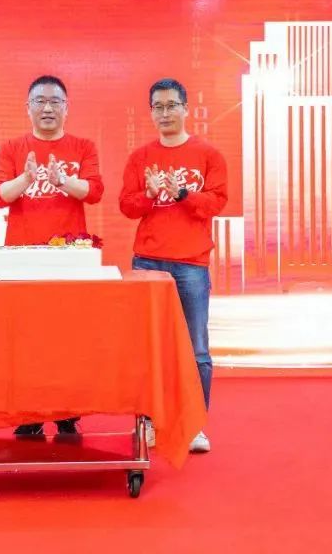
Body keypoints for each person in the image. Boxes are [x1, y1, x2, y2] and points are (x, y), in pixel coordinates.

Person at [0, 75, 104, 436]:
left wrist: (62, 181)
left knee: (68, 336)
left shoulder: (83, 146)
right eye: (40, 101)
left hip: (69, 258)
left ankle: (67, 412)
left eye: (56, 101)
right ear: (28, 108)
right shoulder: (12, 148)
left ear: (67, 108)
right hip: (22, 258)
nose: (48, 108)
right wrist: (25, 180)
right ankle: (30, 413)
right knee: (25, 338)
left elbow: (94, 191)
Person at [118, 78, 227, 453]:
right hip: (148, 260)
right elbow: (127, 206)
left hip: (191, 264)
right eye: (158, 107)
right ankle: (148, 422)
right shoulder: (140, 157)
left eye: (171, 106)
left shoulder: (208, 155)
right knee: (148, 347)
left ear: (185, 109)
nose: (165, 113)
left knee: (196, 349)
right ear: (151, 113)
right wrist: (149, 194)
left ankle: (194, 426)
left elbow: (216, 203)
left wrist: (181, 192)